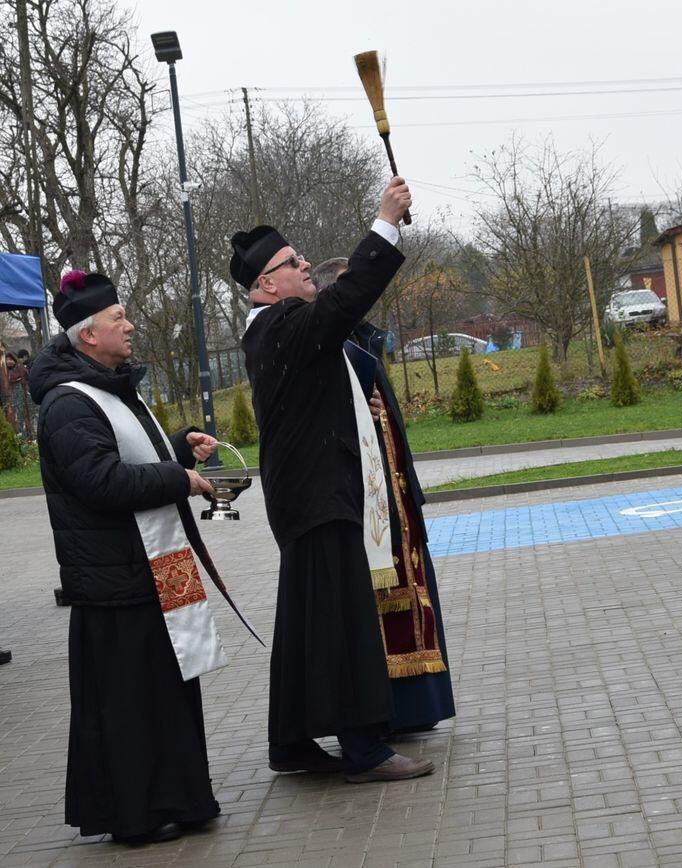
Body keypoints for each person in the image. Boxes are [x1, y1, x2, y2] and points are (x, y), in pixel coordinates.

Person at [235, 176, 436, 781]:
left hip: (307, 496)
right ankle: (364, 749)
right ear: (267, 284)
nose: (305, 267)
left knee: (306, 622)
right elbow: (344, 302)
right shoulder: (282, 324)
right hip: (318, 497)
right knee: (344, 621)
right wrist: (385, 222)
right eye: (293, 262)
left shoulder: (278, 327)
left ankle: (290, 742)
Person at [28, 270, 225, 844]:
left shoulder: (112, 387)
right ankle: (136, 816)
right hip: (115, 580)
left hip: (151, 567)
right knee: (131, 706)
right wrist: (179, 479)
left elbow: (133, 456)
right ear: (89, 335)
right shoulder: (68, 402)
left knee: (168, 692)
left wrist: (180, 445)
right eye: (119, 318)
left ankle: (182, 798)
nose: (131, 325)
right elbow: (102, 481)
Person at [309, 256, 456, 734]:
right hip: (367, 502)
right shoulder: (329, 343)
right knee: (380, 603)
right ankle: (392, 708)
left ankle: (421, 704)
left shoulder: (364, 340)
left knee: (413, 593)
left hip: (396, 494)